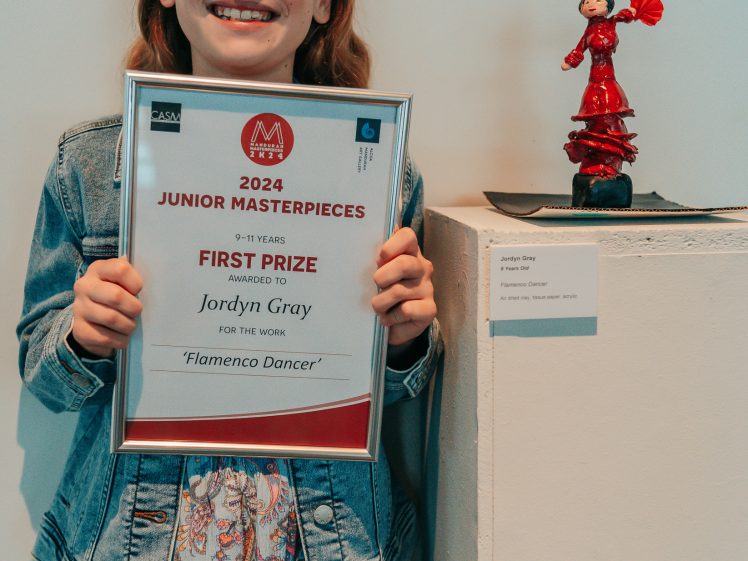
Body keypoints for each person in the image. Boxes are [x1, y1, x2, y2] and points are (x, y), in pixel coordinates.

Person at [17, 1, 442, 560]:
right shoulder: (88, 164)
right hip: (134, 535)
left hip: (329, 531)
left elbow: (388, 394)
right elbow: (41, 372)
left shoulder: (380, 168)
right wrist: (82, 335)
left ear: (324, 6)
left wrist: (405, 338)